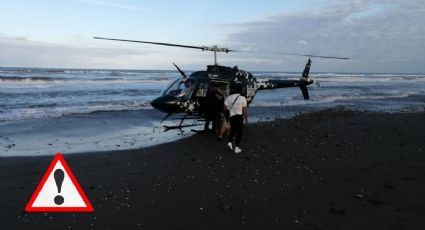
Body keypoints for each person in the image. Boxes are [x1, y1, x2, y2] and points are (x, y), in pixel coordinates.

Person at [225, 83, 248, 154]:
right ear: (240, 90)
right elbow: (244, 110)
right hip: (239, 117)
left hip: (231, 117)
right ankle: (237, 148)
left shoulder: (229, 97)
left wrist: (229, 112)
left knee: (233, 130)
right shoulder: (243, 98)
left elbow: (224, 108)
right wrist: (246, 118)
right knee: (239, 132)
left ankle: (229, 142)